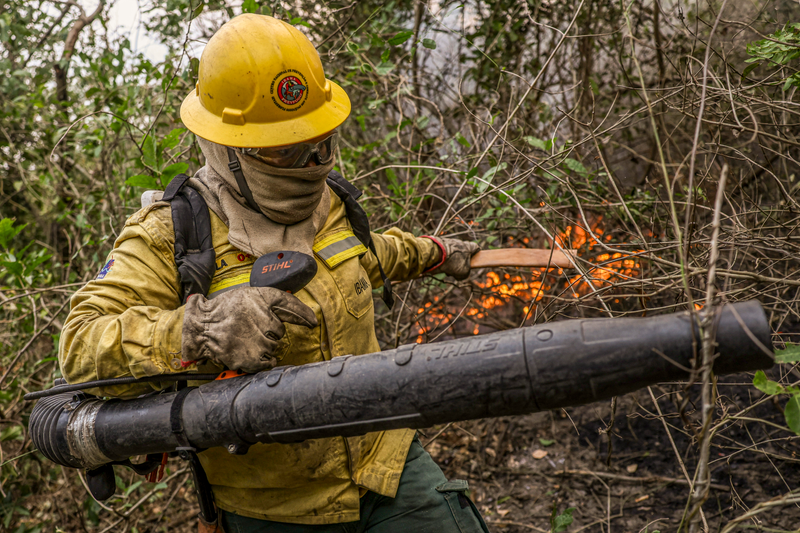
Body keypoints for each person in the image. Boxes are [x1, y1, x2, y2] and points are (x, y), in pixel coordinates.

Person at [58, 13, 486, 533]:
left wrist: (437, 253)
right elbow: (81, 344)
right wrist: (199, 328)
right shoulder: (169, 233)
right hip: (274, 508)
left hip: (387, 464)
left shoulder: (328, 202)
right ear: (230, 149)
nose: (312, 161)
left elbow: (367, 254)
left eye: (319, 141)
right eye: (286, 149)